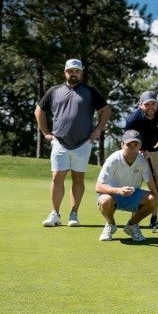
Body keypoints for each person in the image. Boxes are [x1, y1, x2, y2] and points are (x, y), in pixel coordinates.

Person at [35, 59, 111, 228]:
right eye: (70, 71)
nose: (73, 74)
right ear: (65, 72)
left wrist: (98, 129)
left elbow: (106, 110)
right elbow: (39, 110)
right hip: (60, 142)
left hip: (83, 143)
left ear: (81, 73)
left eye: (77, 71)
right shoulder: (54, 91)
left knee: (78, 178)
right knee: (57, 177)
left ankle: (74, 214)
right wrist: (46, 133)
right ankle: (55, 214)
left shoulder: (90, 92)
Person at [95, 130, 158, 242]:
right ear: (122, 144)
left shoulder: (142, 161)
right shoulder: (113, 159)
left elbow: (154, 188)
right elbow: (98, 187)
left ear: (140, 146)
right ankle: (111, 225)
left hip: (133, 196)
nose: (132, 148)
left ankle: (132, 225)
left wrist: (150, 163)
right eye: (129, 144)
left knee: (153, 199)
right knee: (105, 200)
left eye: (136, 145)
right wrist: (118, 191)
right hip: (113, 196)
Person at [124, 90, 158, 230]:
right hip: (137, 150)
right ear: (141, 105)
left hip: (155, 150)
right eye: (147, 104)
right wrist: (140, 150)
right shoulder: (133, 119)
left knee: (155, 182)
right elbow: (127, 141)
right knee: (136, 182)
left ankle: (154, 217)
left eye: (154, 103)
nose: (151, 107)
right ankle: (135, 219)